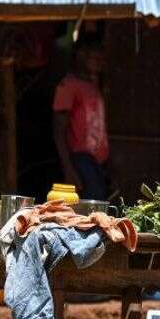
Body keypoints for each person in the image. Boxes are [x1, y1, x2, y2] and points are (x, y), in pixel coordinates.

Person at [53, 40, 111, 200]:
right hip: (80, 160)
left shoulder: (93, 85)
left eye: (102, 58)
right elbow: (59, 130)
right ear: (81, 57)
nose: (100, 62)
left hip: (96, 162)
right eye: (95, 58)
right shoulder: (68, 85)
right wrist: (69, 169)